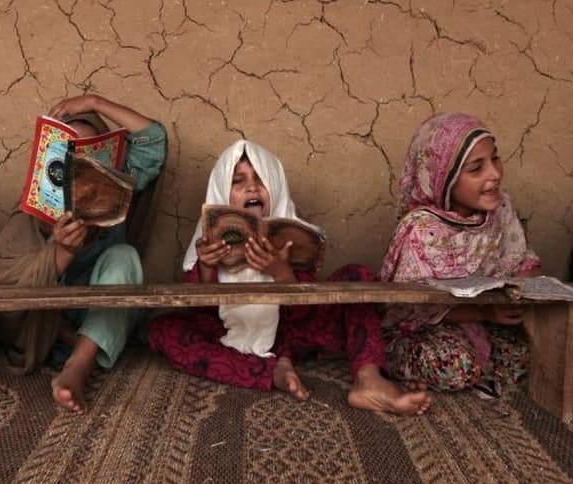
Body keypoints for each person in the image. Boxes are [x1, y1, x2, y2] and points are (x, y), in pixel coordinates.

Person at [147, 139, 431, 415]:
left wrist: (280, 273)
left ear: (276, 186)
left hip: (293, 332)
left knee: (356, 276)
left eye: (261, 178)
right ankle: (273, 372)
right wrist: (208, 267)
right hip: (231, 332)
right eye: (238, 181)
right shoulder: (207, 242)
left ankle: (369, 379)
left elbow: (304, 311)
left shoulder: (292, 236)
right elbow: (203, 311)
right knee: (163, 329)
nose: (252, 187)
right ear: (221, 191)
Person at [0, 94, 167, 412]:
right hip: (49, 330)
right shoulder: (30, 217)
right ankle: (80, 347)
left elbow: (152, 140)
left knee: (124, 257)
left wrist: (95, 103)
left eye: (91, 159)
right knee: (4, 278)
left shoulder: (117, 189)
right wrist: (60, 252)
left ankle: (77, 367)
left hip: (98, 316)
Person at [380, 112, 541, 396]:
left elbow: (521, 260)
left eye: (495, 158)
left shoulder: (500, 210)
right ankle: (399, 364)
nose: (494, 174)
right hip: (424, 329)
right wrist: (487, 312)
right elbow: (412, 308)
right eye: (476, 168)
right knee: (456, 367)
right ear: (444, 179)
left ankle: (481, 364)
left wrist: (526, 293)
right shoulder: (422, 229)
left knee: (525, 358)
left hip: (483, 321)